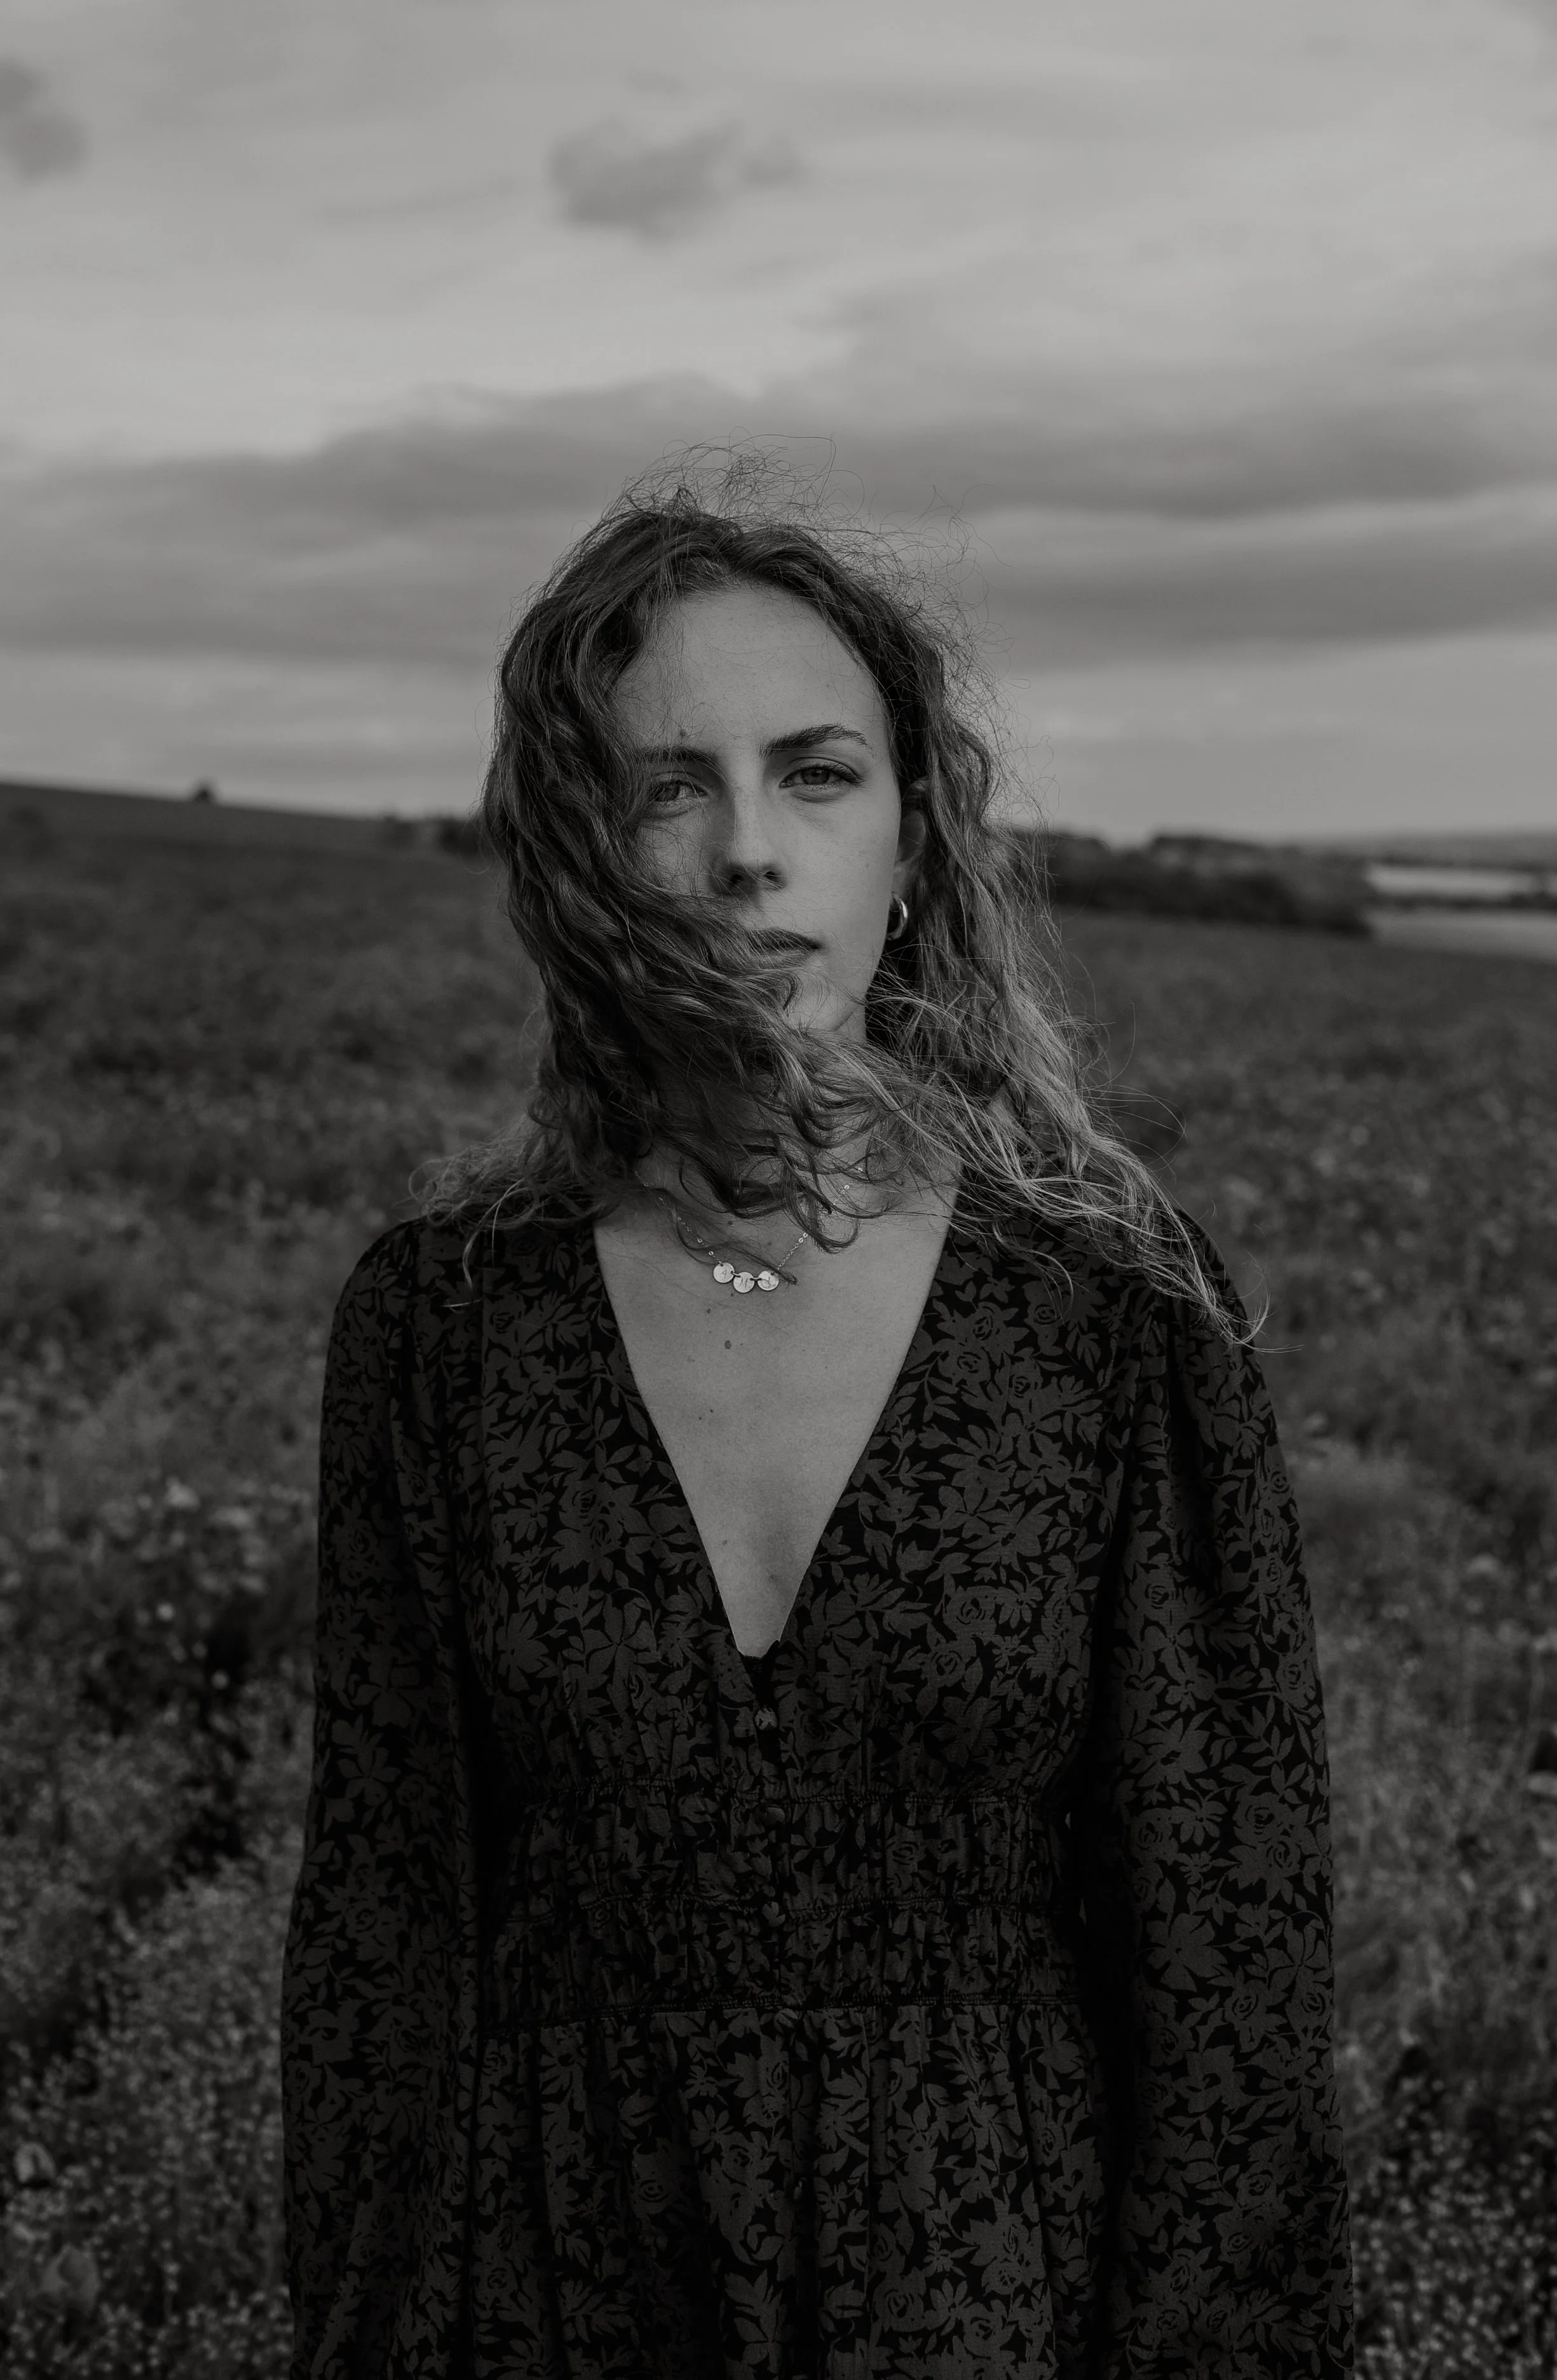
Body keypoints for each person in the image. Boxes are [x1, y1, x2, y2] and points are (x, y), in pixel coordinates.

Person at [281, 470, 1352, 2380]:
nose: (749, 854)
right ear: (579, 855)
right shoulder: (442, 1324)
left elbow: (1228, 1956)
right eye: (668, 783)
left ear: (914, 844)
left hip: (994, 2297)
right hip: (551, 2291)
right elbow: (380, 1946)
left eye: (818, 774)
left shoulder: (1108, 1306)